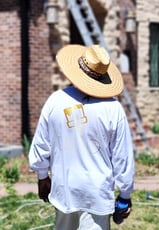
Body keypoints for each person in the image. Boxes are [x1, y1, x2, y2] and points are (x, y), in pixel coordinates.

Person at [29, 44, 135, 230]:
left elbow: (41, 144)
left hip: (64, 189)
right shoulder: (113, 108)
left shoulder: (55, 100)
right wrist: (124, 196)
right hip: (97, 192)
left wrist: (42, 176)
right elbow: (122, 156)